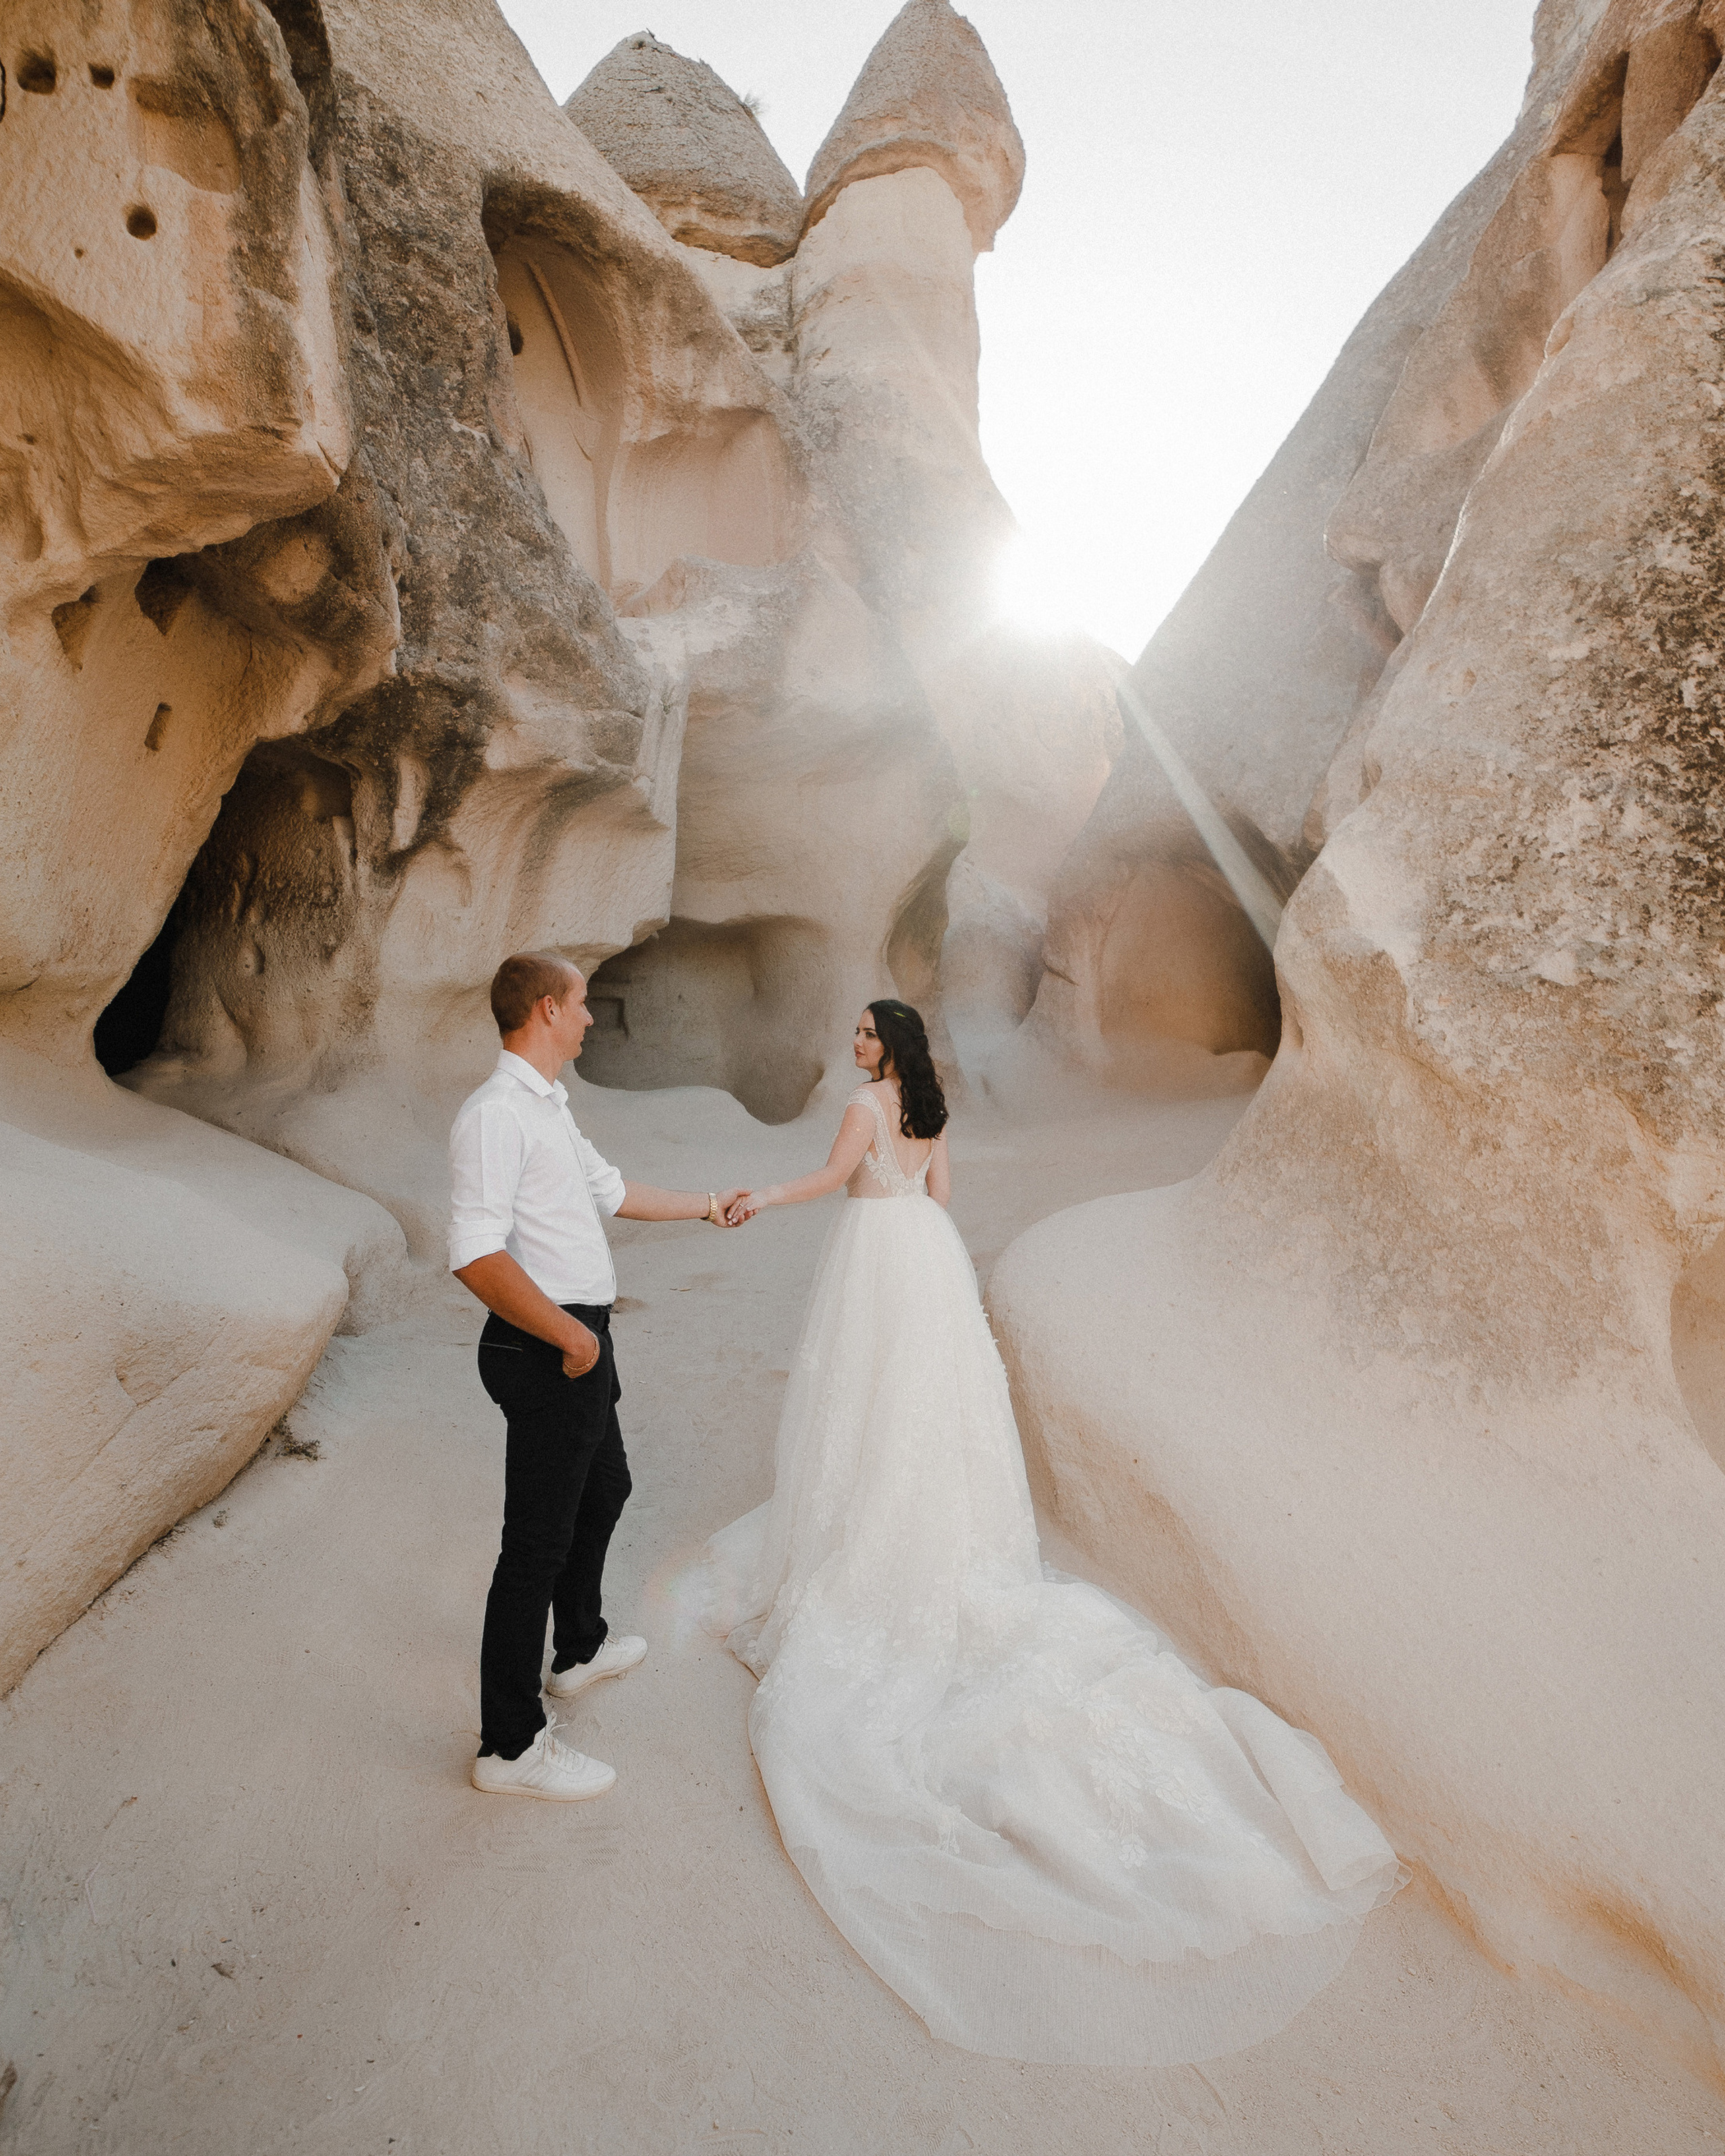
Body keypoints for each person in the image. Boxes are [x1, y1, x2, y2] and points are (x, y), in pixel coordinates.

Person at [705, 998, 1404, 2068]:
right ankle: (928, 1528)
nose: (853, 1045)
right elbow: (941, 1195)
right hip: (928, 1257)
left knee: (865, 1399)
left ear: (887, 1045)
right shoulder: (930, 1107)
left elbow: (831, 1179)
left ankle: (863, 1536)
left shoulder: (860, 1107)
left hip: (875, 1257)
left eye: (865, 1034)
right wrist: (905, 1201)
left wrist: (763, 1195)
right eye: (854, 1034)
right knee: (926, 1410)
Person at [449, 951, 747, 1803]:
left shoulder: (547, 1104)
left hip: (579, 1339)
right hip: (547, 1344)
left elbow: (611, 1190)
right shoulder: (495, 1113)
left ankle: (577, 1649)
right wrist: (570, 1337)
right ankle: (510, 1746)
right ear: (547, 1009)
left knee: (606, 1486)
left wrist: (706, 1204)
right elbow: (473, 1252)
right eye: (581, 1003)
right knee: (533, 1547)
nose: (589, 1017)